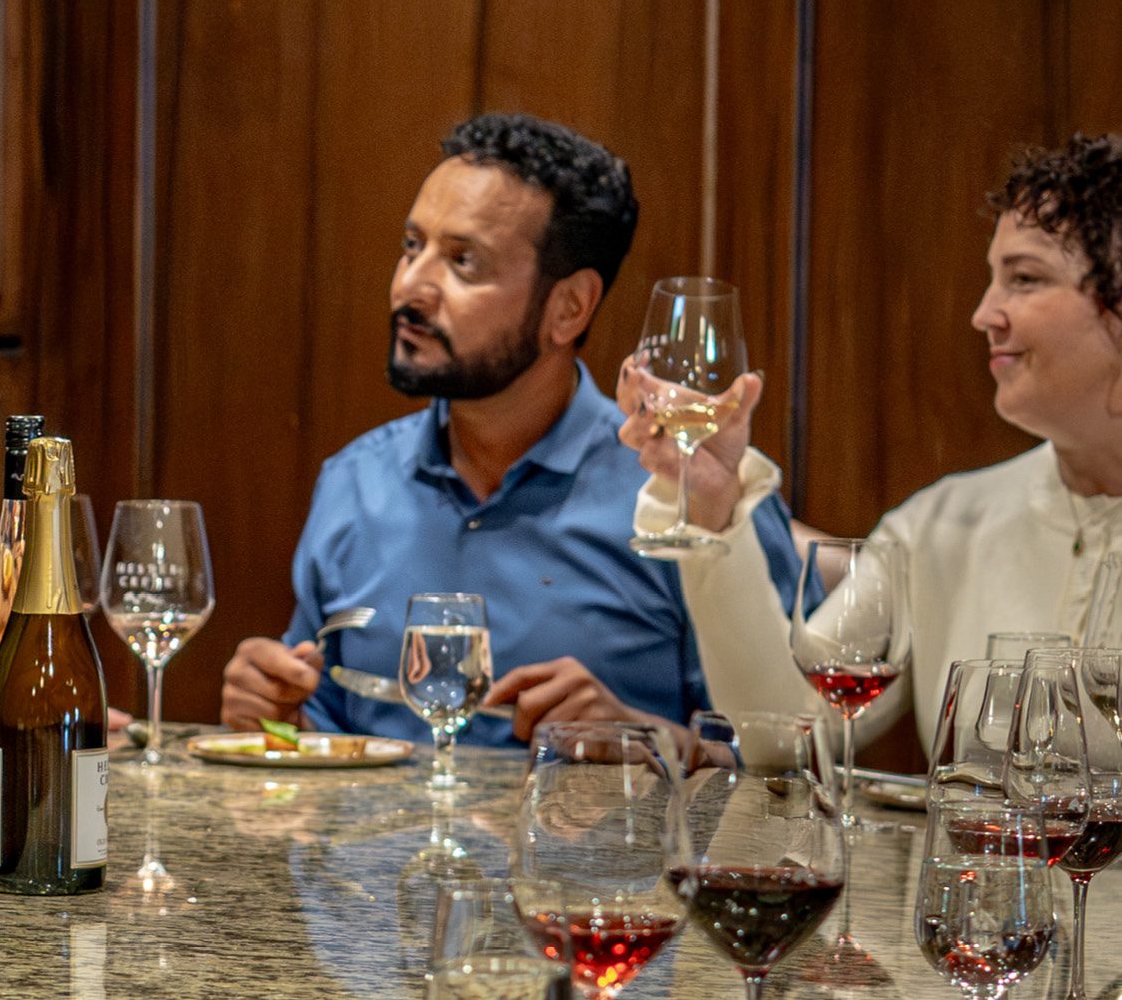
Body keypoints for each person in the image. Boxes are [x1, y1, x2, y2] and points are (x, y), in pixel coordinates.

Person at [219, 113, 807, 746]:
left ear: (568, 309)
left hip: (592, 846)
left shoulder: (693, 495)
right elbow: (318, 738)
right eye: (412, 246)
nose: (409, 287)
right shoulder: (353, 483)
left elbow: (792, 770)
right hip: (372, 847)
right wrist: (274, 716)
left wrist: (642, 739)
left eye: (463, 262)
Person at [617, 133, 1122, 754]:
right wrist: (717, 509)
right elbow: (786, 736)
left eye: (1023, 278)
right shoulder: (940, 526)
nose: (985, 312)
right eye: (994, 279)